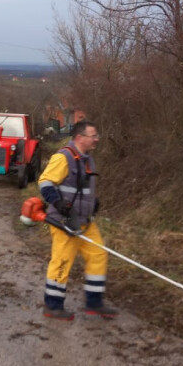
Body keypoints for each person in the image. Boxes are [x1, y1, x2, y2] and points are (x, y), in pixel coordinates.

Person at [38, 120, 119, 321]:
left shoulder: (88, 160)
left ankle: (94, 303)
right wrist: (58, 203)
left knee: (98, 253)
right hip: (64, 221)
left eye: (97, 135)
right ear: (79, 137)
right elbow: (45, 182)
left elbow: (83, 189)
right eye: (93, 136)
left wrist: (93, 202)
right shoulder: (63, 157)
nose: (97, 139)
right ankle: (53, 306)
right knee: (62, 261)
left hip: (85, 221)